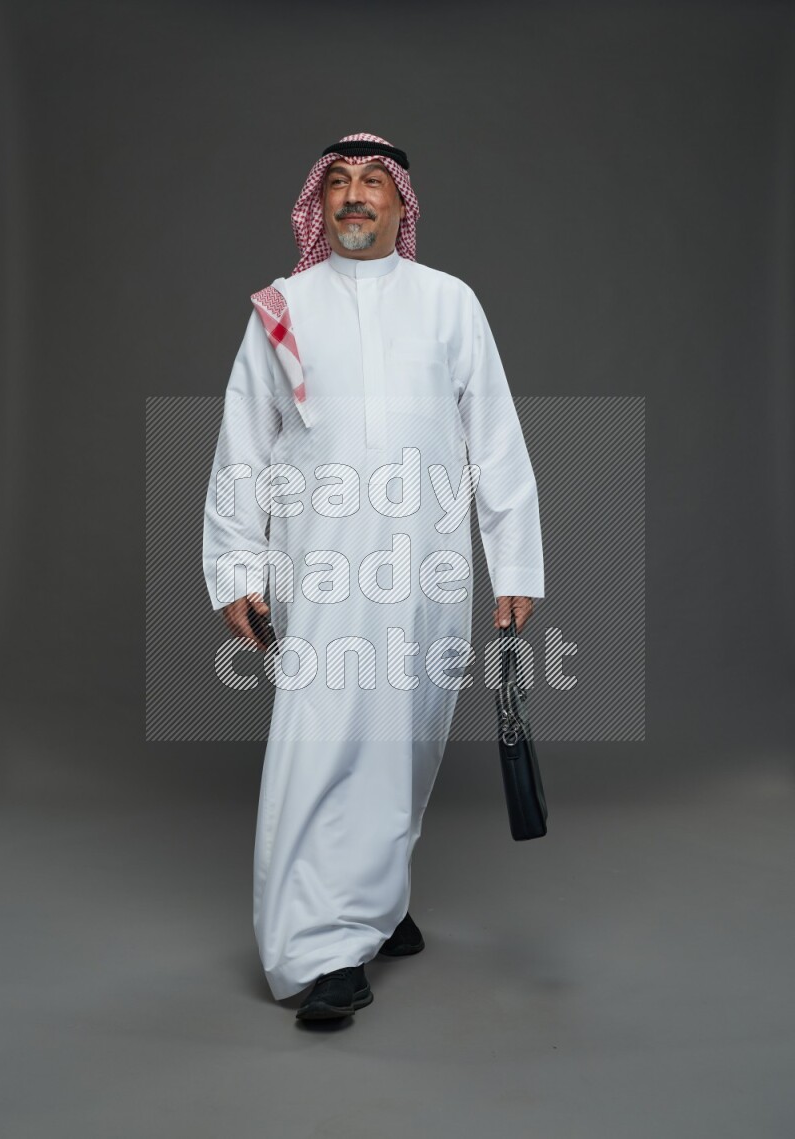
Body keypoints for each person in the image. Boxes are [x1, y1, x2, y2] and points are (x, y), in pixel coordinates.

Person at [202, 132, 545, 1021]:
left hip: (426, 569)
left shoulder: (449, 304)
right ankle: (321, 950)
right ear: (319, 206)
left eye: (374, 183)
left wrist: (513, 560)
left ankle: (378, 900)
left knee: (409, 738)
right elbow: (244, 443)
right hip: (317, 568)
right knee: (322, 740)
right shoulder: (281, 309)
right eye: (341, 184)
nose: (356, 197)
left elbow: (495, 438)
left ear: (402, 203)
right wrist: (236, 563)